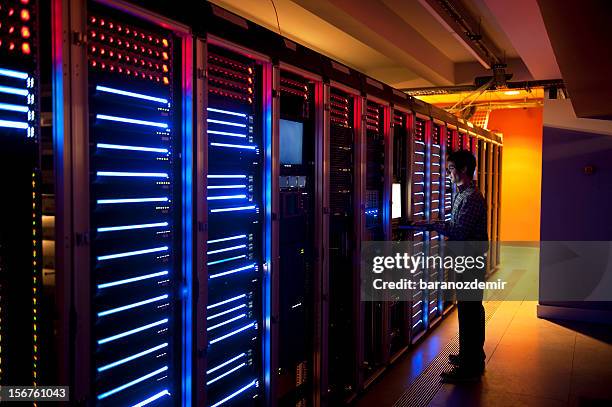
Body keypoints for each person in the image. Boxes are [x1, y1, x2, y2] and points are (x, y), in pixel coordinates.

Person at [434, 149, 488, 383]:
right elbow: (456, 225)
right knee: (470, 310)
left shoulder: (471, 197)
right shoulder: (462, 194)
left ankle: (469, 366)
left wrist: (432, 226)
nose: (447, 173)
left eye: (450, 169)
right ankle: (473, 356)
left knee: (469, 311)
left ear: (463, 169)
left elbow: (458, 231)